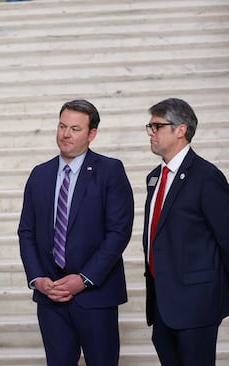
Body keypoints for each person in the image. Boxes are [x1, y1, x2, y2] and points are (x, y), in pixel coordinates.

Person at [18, 99, 134, 365]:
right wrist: (37, 278)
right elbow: (26, 232)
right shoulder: (40, 174)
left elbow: (118, 232)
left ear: (91, 134)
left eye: (75, 128)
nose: (65, 134)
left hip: (95, 295)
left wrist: (83, 278)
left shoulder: (110, 171)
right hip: (51, 298)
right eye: (61, 126)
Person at [143, 98, 229, 365]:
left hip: (197, 307)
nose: (151, 133)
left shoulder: (206, 177)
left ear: (180, 130)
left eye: (157, 126)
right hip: (163, 305)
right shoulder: (154, 177)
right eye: (150, 127)